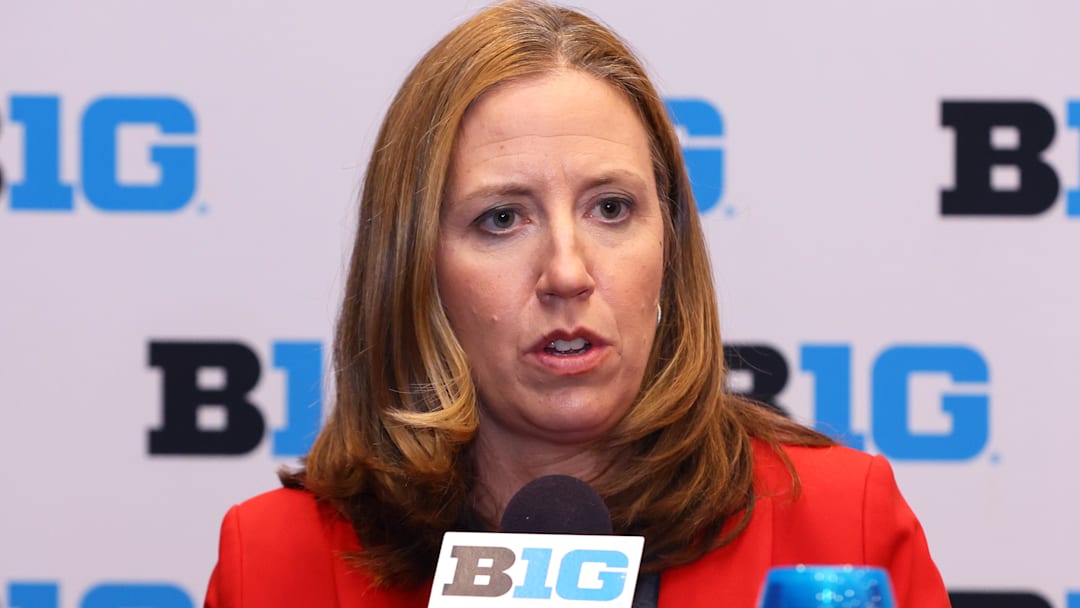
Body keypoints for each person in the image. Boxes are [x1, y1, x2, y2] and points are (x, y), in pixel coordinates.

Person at [204, 1, 950, 606]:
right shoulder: (274, 560)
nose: (566, 272)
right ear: (416, 271)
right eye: (502, 218)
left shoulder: (840, 522)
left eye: (611, 209)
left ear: (670, 248)